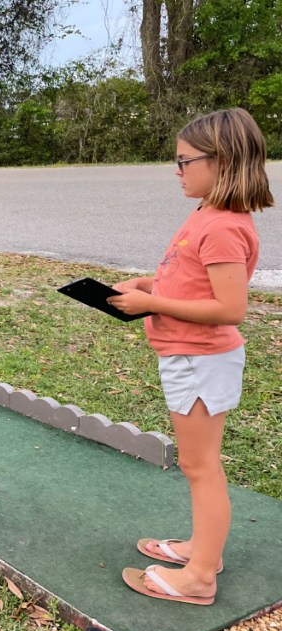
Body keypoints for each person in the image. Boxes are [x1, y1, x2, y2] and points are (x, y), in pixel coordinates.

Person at [110, 108, 273, 605]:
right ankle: (204, 550)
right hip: (187, 355)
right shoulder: (205, 213)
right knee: (198, 464)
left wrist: (151, 303)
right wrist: (148, 284)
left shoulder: (223, 225)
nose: (176, 171)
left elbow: (230, 307)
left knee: (201, 467)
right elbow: (193, 280)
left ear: (220, 161)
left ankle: (201, 576)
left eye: (184, 162)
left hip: (201, 360)